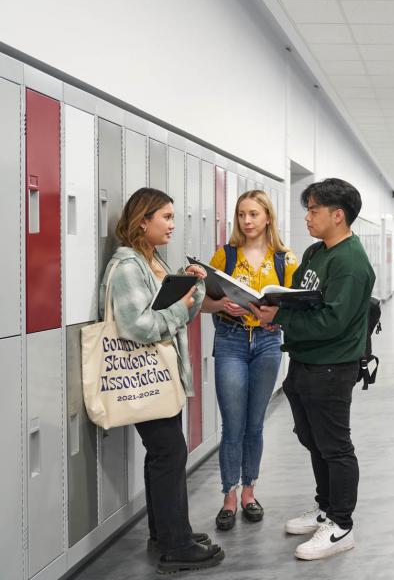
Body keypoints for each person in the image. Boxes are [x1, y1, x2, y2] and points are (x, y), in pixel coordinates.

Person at [98, 187, 224, 573]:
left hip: (160, 375)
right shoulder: (128, 266)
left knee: (164, 455)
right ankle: (175, 544)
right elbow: (138, 325)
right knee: (169, 454)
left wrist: (194, 283)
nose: (172, 224)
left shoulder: (150, 259)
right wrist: (179, 310)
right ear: (143, 221)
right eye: (165, 217)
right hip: (145, 373)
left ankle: (167, 532)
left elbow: (176, 306)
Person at [250, 178, 374, 561]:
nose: (307, 217)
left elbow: (333, 322)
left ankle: (341, 525)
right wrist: (275, 309)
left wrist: (280, 319)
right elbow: (302, 300)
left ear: (338, 215)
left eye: (313, 209)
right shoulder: (316, 252)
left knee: (335, 446)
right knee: (312, 439)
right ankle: (325, 507)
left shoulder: (350, 262)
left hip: (332, 367)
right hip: (305, 363)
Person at [200, 190, 300, 531]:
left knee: (255, 423)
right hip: (230, 340)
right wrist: (221, 305)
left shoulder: (286, 260)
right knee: (233, 424)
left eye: (254, 214)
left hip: (268, 343)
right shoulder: (224, 256)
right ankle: (228, 495)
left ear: (268, 217)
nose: (247, 220)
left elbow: (294, 306)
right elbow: (203, 302)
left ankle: (249, 493)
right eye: (242, 214)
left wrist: (279, 314)